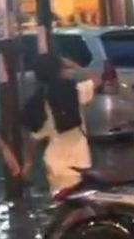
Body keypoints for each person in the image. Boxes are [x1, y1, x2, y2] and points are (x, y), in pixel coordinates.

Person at [21, 54, 101, 197]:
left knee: (65, 207)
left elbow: (33, 138)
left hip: (55, 163)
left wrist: (28, 164)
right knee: (79, 209)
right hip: (78, 161)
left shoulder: (37, 100)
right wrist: (75, 65)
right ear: (59, 71)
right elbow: (97, 79)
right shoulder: (74, 91)